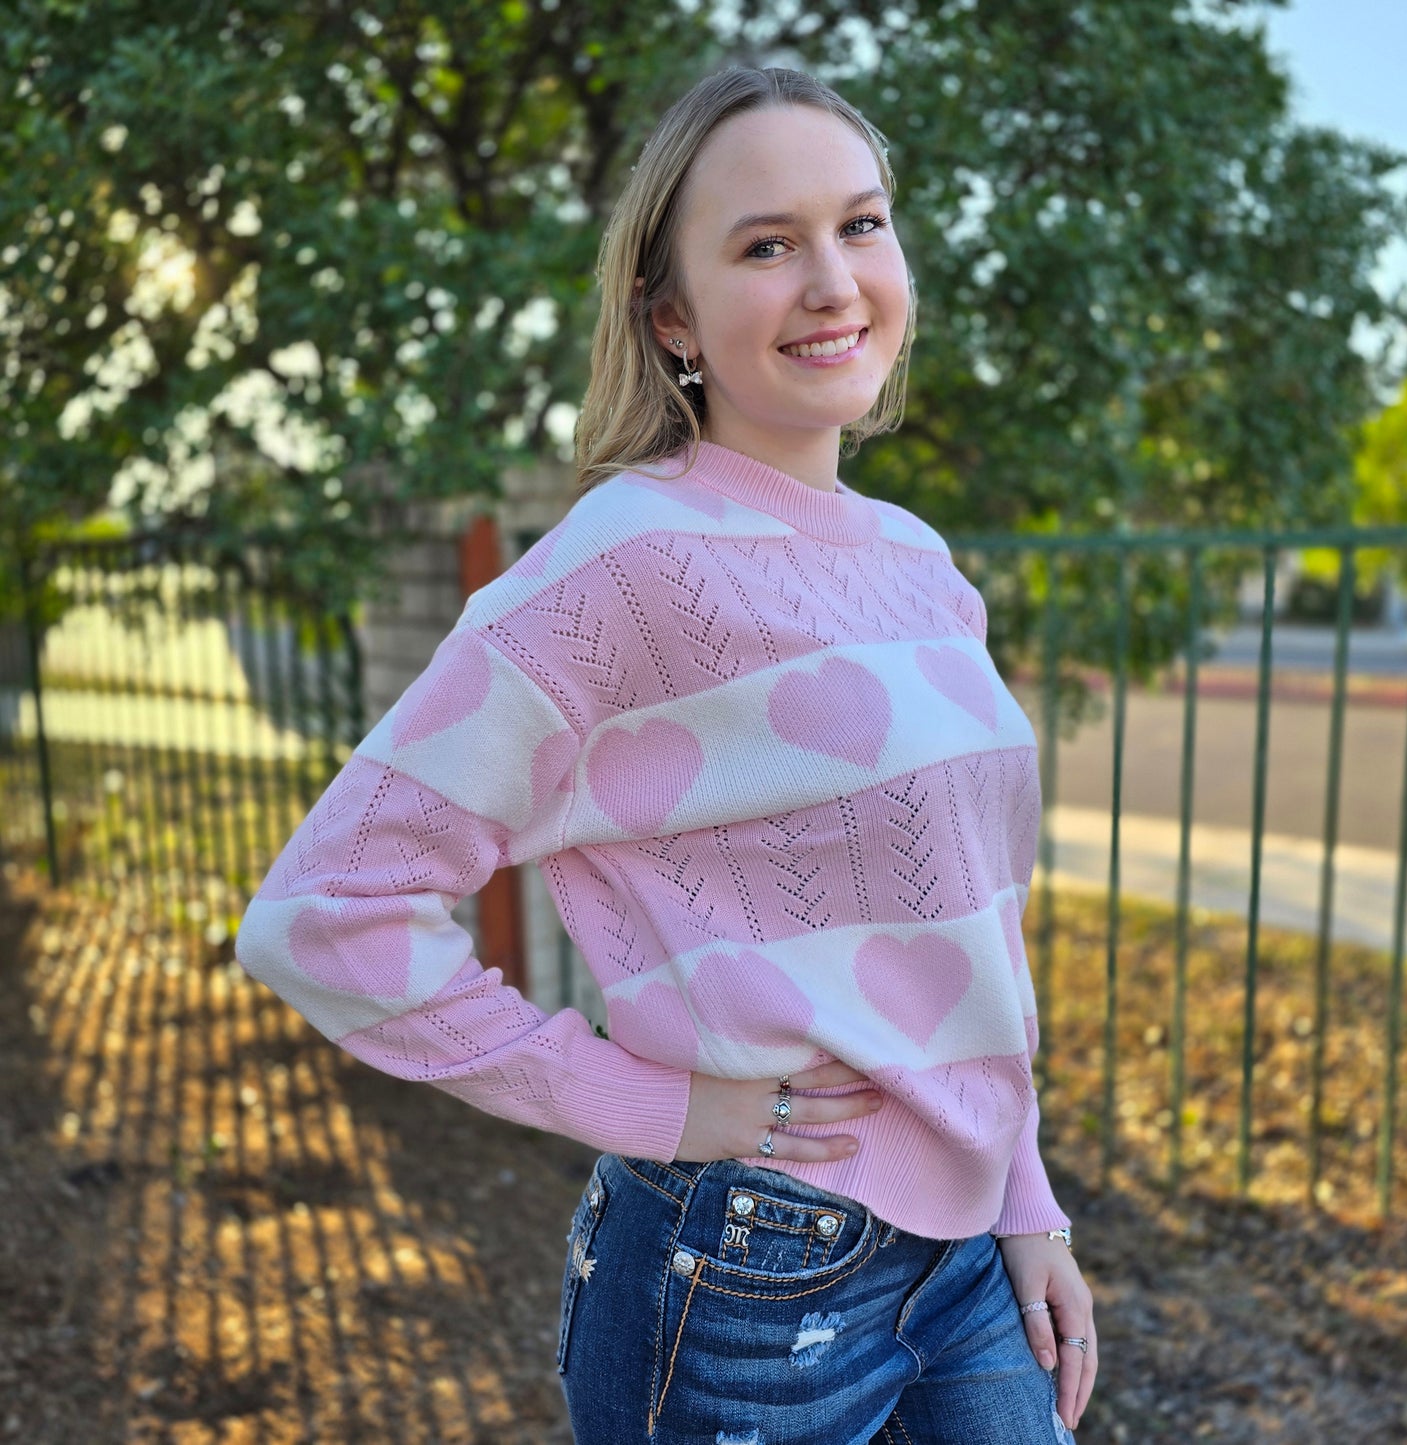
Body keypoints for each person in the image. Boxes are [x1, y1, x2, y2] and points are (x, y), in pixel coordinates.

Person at [236, 65, 1097, 1445]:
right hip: (750, 1267)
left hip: (965, 1258)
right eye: (766, 245)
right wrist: (652, 1100)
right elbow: (319, 915)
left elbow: (963, 934)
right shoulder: (622, 564)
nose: (831, 280)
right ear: (672, 316)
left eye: (860, 226)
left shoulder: (919, 564)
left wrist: (1024, 1199)